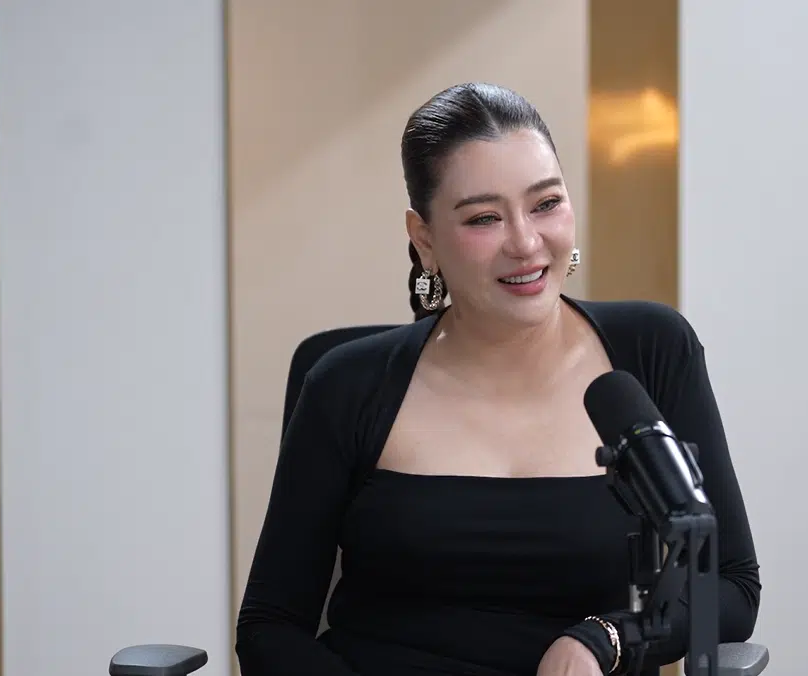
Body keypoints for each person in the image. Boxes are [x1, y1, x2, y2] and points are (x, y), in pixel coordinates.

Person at [235, 82, 761, 676]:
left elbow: (731, 582)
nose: (526, 242)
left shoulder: (652, 349)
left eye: (546, 204)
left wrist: (606, 638)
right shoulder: (346, 384)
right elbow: (269, 626)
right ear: (424, 239)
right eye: (484, 218)